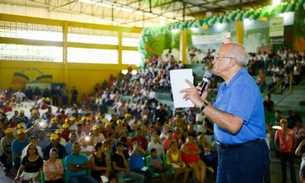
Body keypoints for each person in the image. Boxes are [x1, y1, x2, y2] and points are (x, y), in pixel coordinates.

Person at [180, 43, 269, 183]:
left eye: (218, 57)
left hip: (244, 155)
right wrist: (204, 102)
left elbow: (233, 125)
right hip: (227, 153)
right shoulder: (225, 85)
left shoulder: (243, 84)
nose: (213, 61)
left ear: (231, 62)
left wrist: (200, 103)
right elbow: (218, 119)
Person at [275, 118, 297, 183]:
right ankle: (284, 180)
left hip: (289, 151)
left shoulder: (291, 131)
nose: (284, 124)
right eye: (282, 123)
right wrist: (277, 148)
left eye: (285, 123)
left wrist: (293, 148)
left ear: (287, 124)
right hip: (282, 152)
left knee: (291, 167)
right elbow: (276, 140)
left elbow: (295, 140)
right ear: (281, 124)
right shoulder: (278, 132)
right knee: (283, 167)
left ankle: (294, 180)